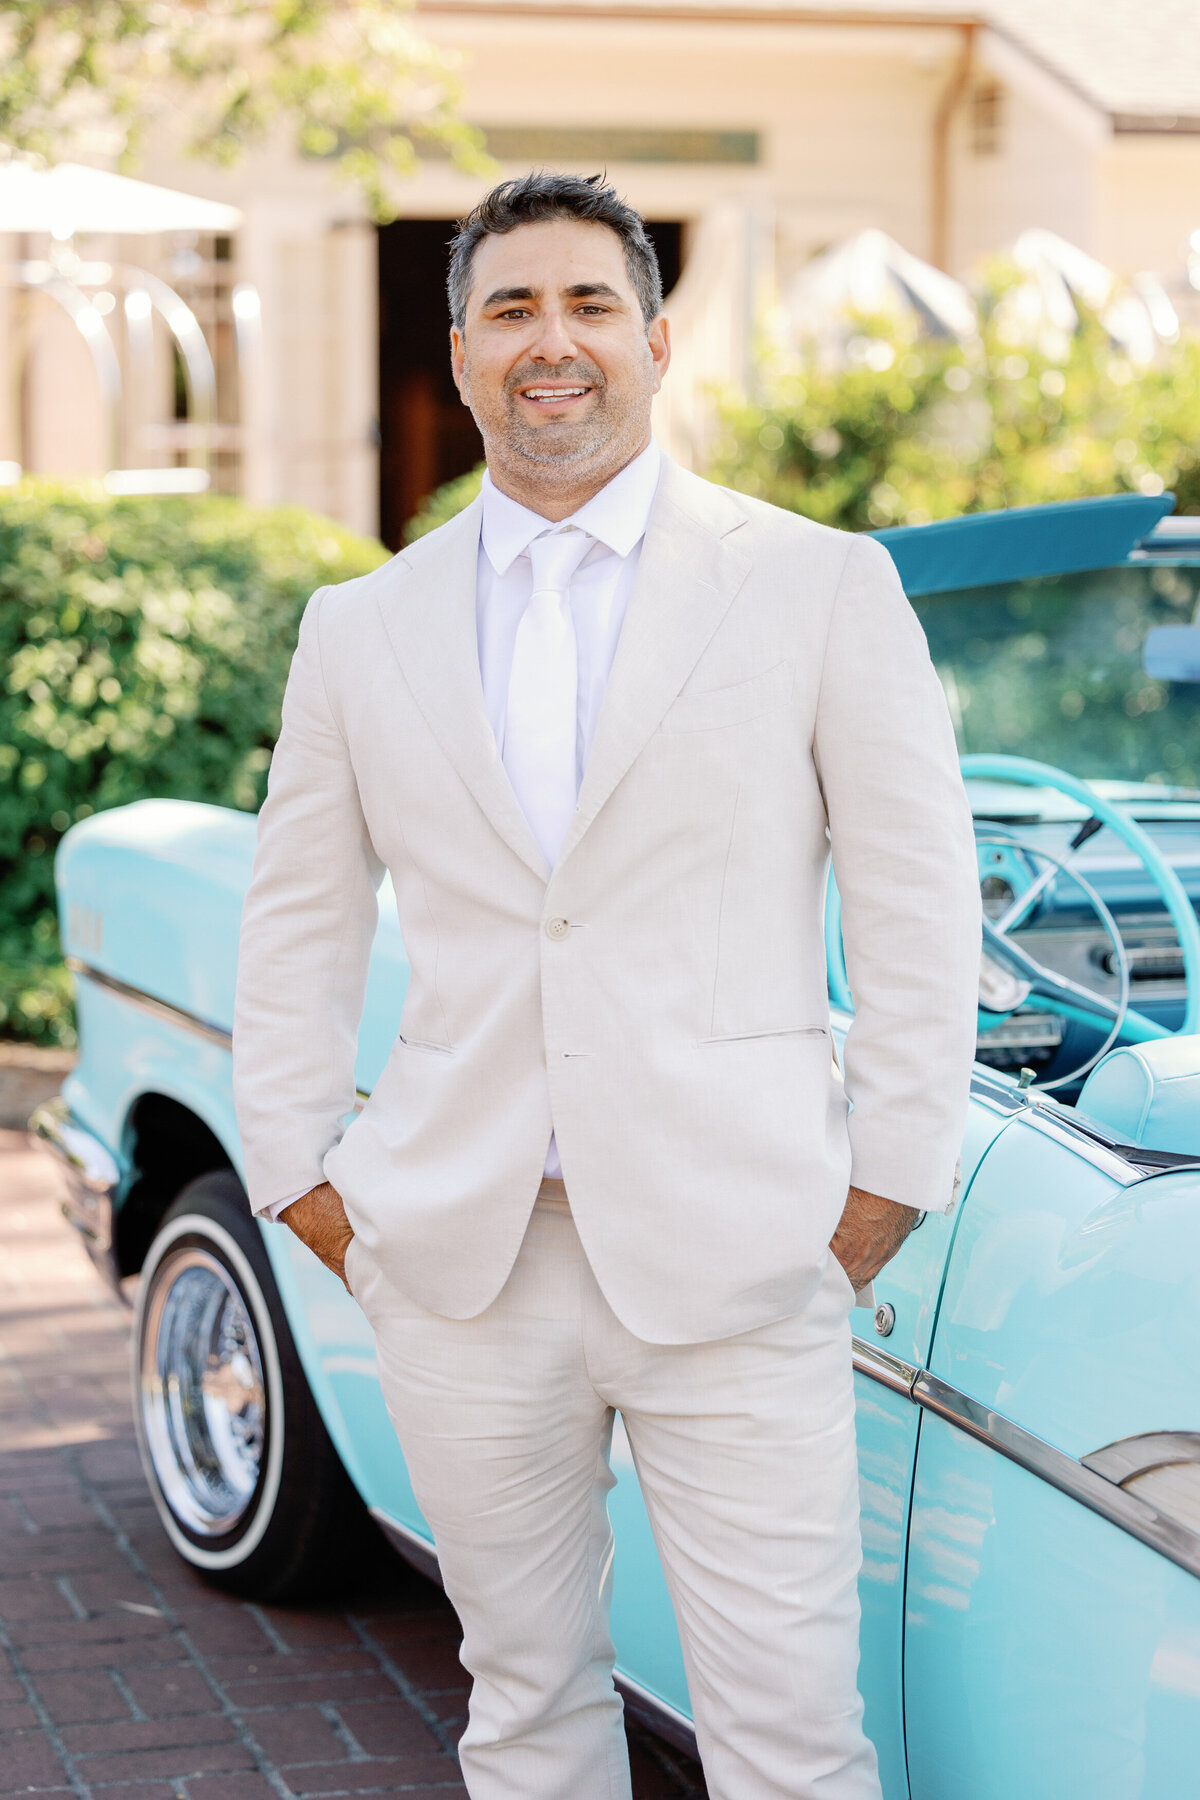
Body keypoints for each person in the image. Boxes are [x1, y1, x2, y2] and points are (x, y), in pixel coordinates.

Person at [233, 171, 982, 1800]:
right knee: (524, 1708)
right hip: (463, 1271)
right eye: (510, 308)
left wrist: (878, 1199)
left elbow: (924, 906)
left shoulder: (816, 585)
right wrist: (308, 1182)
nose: (549, 341)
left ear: (653, 340)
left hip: (747, 1259)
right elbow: (294, 922)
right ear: (459, 356)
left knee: (789, 1739)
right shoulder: (362, 630)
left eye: (586, 305)